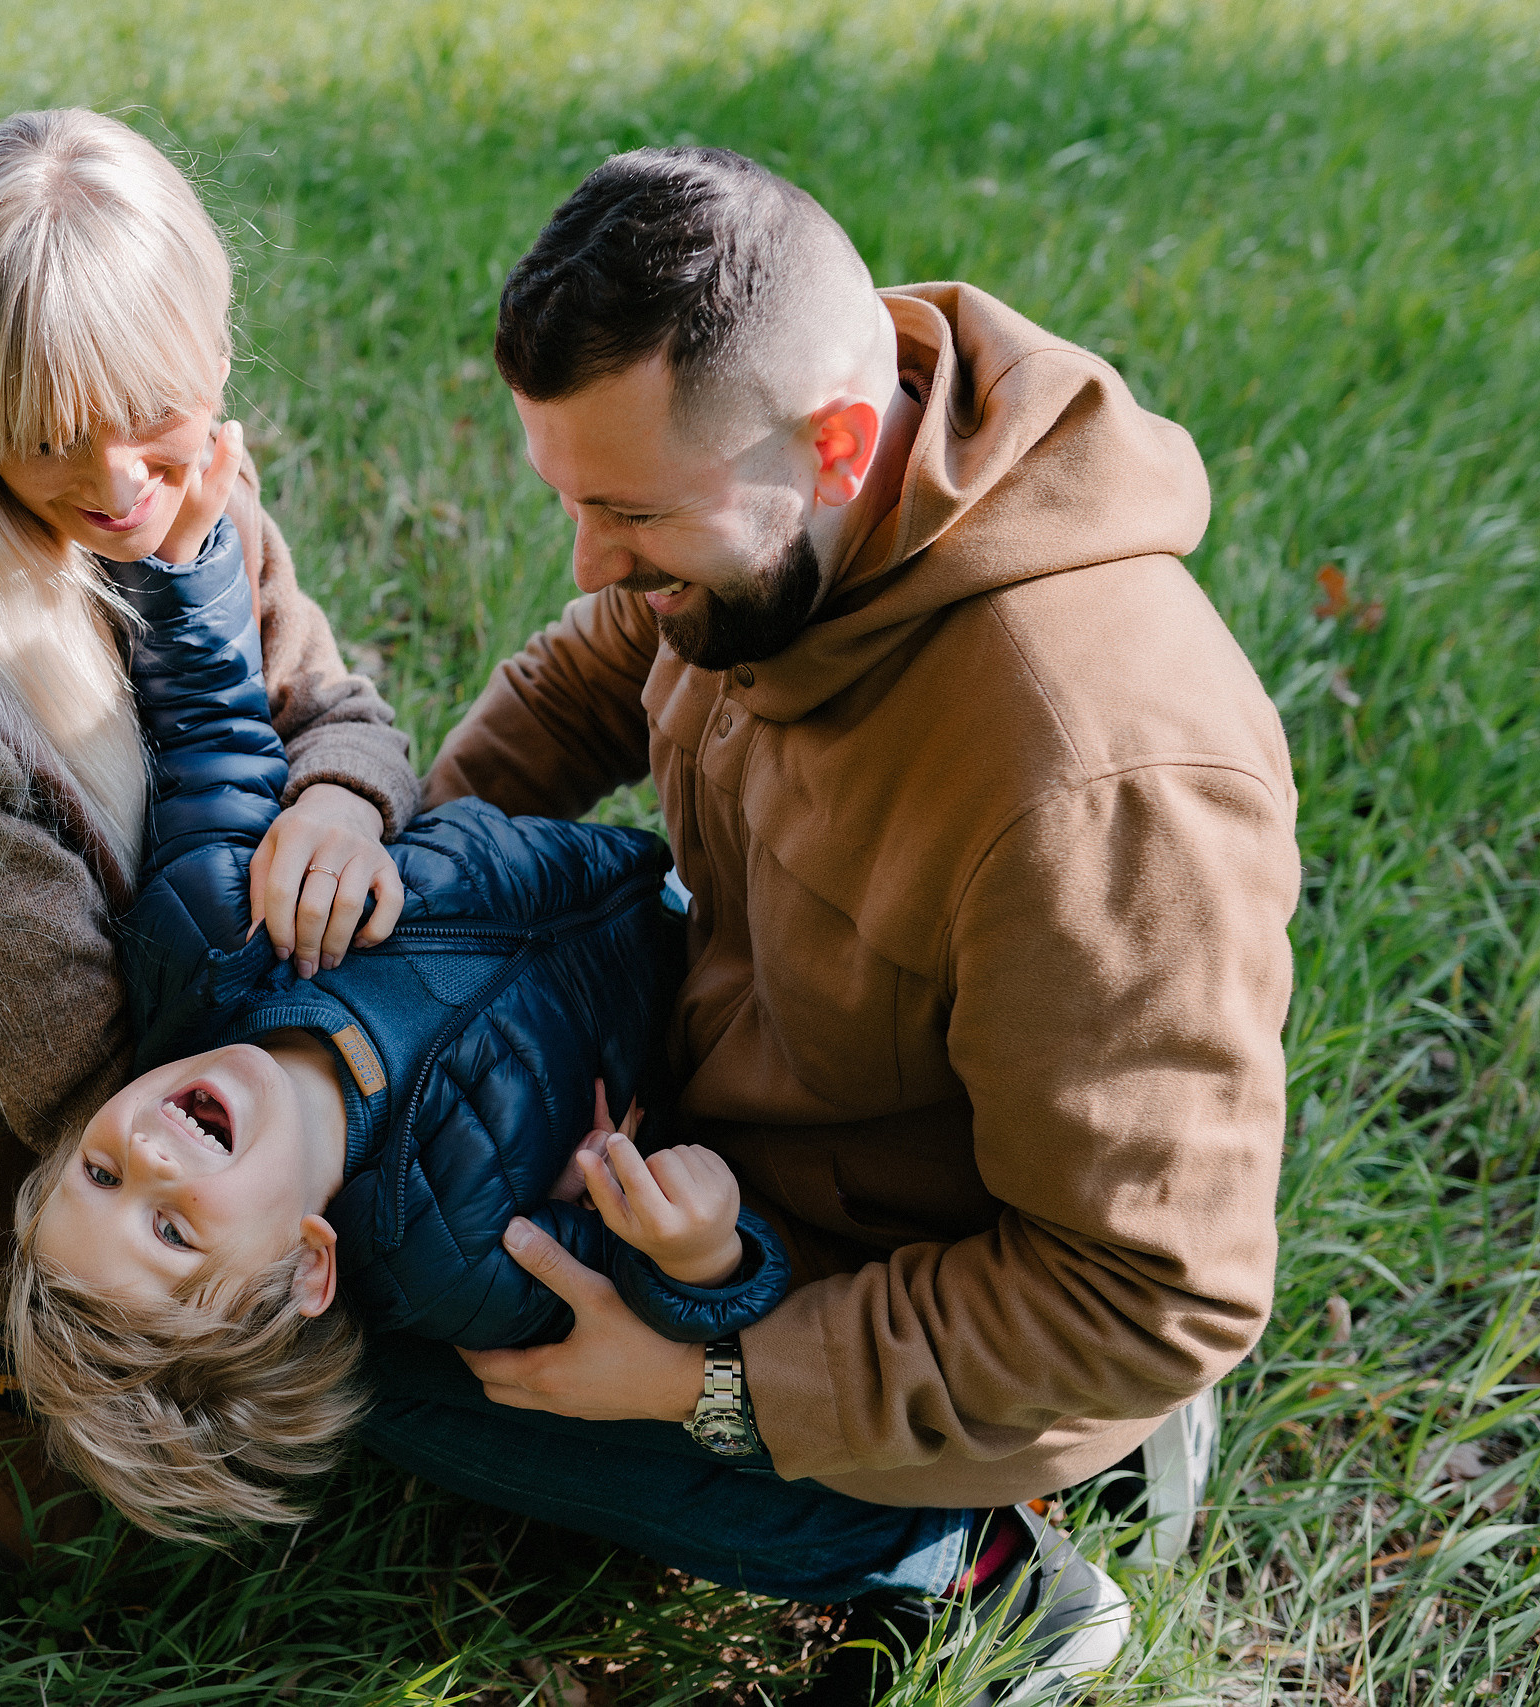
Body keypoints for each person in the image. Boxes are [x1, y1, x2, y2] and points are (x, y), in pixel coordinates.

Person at [368, 147, 1300, 1705]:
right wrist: (410, 897)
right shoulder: (776, 534)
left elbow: (1149, 1288)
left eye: (631, 516)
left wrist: (709, 1386)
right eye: (570, 502)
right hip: (712, 1158)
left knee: (351, 1368)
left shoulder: (1098, 778)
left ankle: (974, 1563)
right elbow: (588, 668)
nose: (592, 565)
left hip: (888, 1284)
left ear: (838, 443)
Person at [0, 109, 420, 1567]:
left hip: (215, 1040)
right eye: (49, 435)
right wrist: (340, 1107)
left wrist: (339, 799)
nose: (121, 478)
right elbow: (74, 1074)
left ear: (213, 352)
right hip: (6, 1179)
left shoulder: (188, 483)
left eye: (150, 410)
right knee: (249, 1413)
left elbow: (332, 698)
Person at [3, 512, 793, 1540]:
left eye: (98, 1176)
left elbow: (210, 734)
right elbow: (629, 1292)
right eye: (172, 1228)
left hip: (580, 847)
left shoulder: (211, 934)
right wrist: (695, 1253)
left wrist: (182, 553)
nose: (146, 1152)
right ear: (308, 1266)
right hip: (711, 987)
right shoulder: (464, 1263)